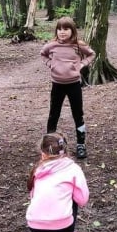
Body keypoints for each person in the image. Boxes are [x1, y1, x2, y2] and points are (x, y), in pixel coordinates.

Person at [26, 132, 90, 232]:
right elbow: (82, 199)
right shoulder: (73, 169)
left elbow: (33, 197)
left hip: (35, 226)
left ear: (43, 154)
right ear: (65, 151)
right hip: (63, 227)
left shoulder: (37, 171)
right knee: (72, 197)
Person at [40, 17, 96, 159]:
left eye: (66, 29)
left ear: (72, 31)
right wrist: (50, 64)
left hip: (74, 85)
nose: (62, 32)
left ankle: (81, 145)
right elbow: (43, 54)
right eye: (59, 29)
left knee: (78, 115)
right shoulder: (52, 45)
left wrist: (82, 64)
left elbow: (92, 54)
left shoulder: (78, 45)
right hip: (57, 85)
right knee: (54, 115)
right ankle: (49, 146)